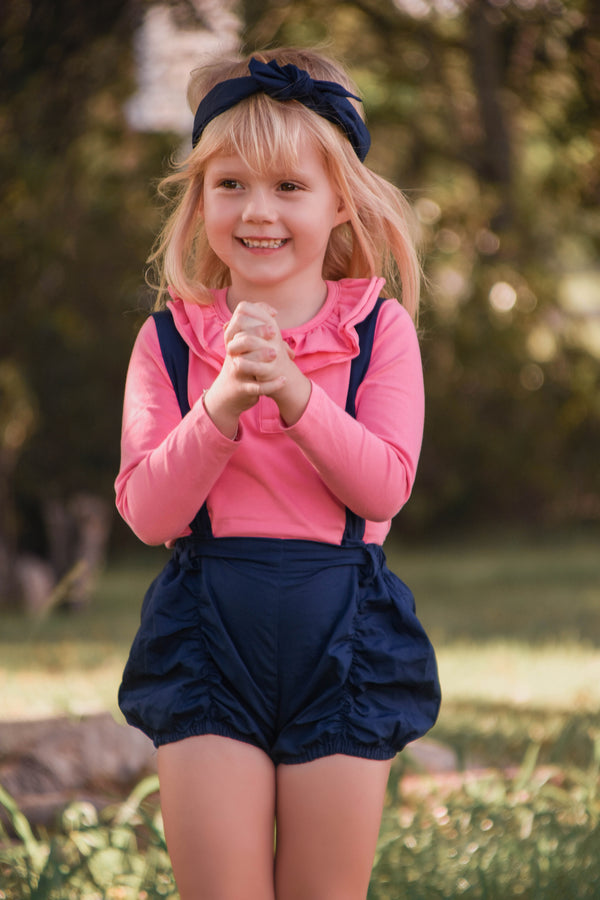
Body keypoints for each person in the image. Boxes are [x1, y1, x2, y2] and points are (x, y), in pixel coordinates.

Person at [115, 46, 440, 900]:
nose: (258, 211)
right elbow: (148, 513)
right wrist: (220, 406)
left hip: (344, 637)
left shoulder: (380, 332)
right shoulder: (169, 342)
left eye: (289, 187)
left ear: (341, 204)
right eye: (231, 184)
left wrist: (297, 395)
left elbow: (383, 490)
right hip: (207, 634)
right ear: (200, 198)